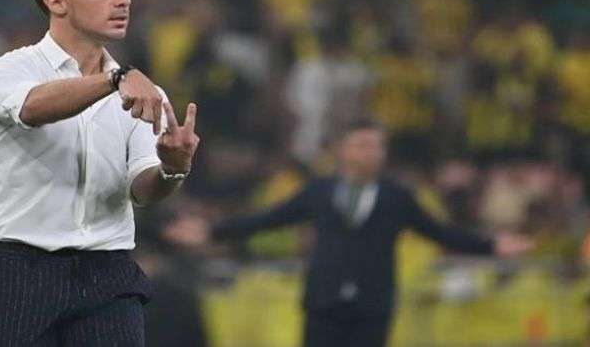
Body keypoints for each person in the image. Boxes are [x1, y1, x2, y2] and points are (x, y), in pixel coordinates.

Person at [0, 0, 200, 346]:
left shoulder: (144, 91)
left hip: (107, 271)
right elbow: (31, 108)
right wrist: (114, 80)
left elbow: (142, 190)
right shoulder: (7, 71)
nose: (122, 0)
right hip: (19, 272)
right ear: (56, 2)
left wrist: (173, 168)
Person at [209, 120, 532, 347]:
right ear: (343, 151)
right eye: (363, 145)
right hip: (324, 302)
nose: (371, 152)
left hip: (372, 305)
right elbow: (269, 219)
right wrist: (214, 232)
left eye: (377, 146)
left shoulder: (397, 198)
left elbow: (437, 232)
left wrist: (490, 245)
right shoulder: (319, 191)